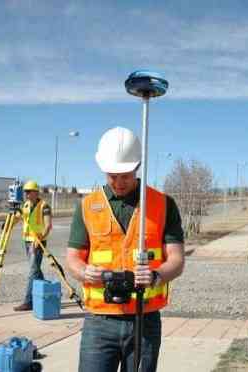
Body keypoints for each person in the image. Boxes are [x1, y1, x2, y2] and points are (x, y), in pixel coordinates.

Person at [66, 127, 185, 372]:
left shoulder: (163, 204)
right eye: (112, 176)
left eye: (125, 176)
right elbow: (73, 258)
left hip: (144, 320)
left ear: (137, 167)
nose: (119, 182)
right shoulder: (87, 206)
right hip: (99, 322)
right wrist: (84, 272)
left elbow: (177, 259)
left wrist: (157, 275)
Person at [13, 180, 52, 311]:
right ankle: (46, 292)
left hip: (38, 242)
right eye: (25, 192)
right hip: (27, 241)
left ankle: (28, 301)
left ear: (36, 192)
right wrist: (8, 224)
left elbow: (48, 226)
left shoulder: (44, 206)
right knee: (36, 270)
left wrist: (40, 237)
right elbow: (18, 218)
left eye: (29, 192)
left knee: (32, 271)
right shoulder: (25, 205)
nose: (26, 194)